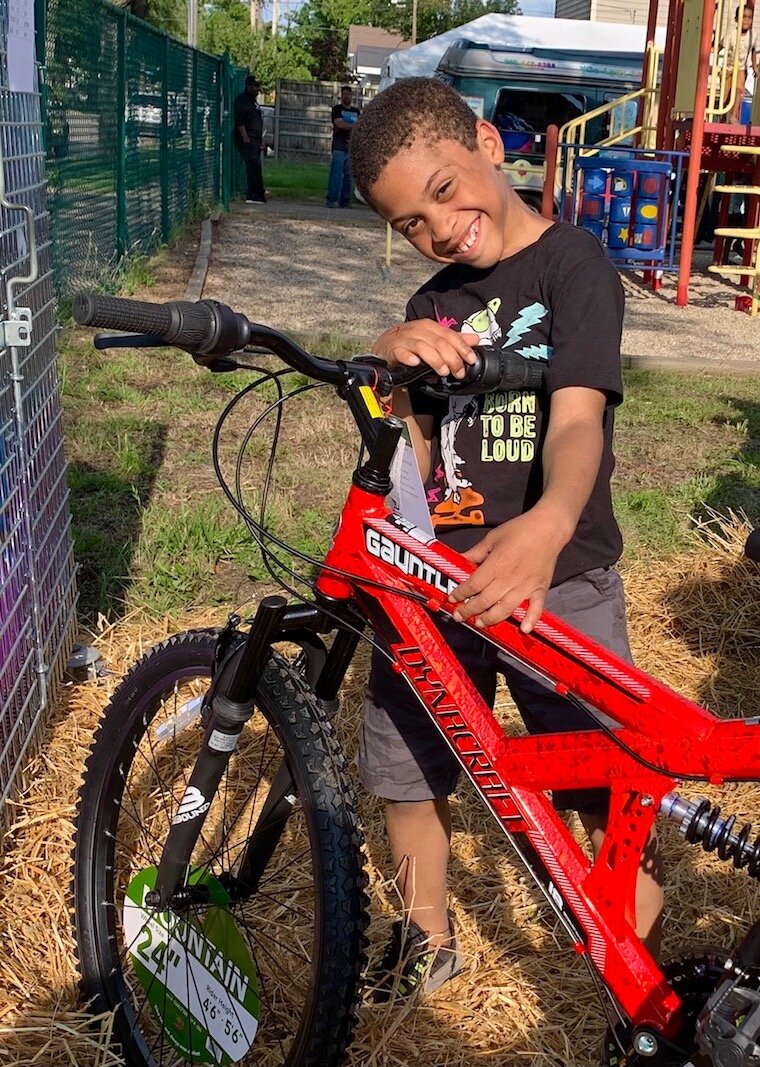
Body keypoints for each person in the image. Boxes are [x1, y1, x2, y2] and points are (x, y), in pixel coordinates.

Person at [348, 76, 663, 1031]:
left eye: (444, 191)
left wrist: (549, 523)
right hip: (438, 587)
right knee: (406, 769)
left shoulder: (574, 267)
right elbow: (411, 449)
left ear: (488, 142)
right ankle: (427, 937)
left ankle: (638, 969)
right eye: (410, 223)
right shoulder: (431, 300)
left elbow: (577, 423)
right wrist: (387, 363)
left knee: (597, 785)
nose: (439, 230)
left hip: (555, 580)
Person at [721, 3, 758, 121]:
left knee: (738, 89)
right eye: (743, 17)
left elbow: (753, 50)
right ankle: (723, 118)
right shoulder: (731, 33)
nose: (746, 20)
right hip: (728, 68)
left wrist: (755, 65)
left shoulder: (753, 35)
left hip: (741, 67)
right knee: (725, 97)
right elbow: (720, 46)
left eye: (749, 17)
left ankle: (733, 117)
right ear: (736, 19)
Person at [234, 75, 267, 204]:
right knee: (253, 164)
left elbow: (259, 121)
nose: (257, 89)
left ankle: (256, 193)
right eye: (255, 86)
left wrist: (262, 139)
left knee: (256, 165)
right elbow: (240, 121)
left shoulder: (254, 102)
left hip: (256, 138)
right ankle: (254, 194)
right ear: (249, 86)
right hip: (248, 138)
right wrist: (245, 136)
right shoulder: (242, 101)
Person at [326, 85, 359, 208]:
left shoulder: (356, 112)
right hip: (339, 146)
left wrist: (351, 126)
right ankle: (331, 199)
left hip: (351, 147)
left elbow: (360, 126)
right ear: (341, 96)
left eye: (349, 94)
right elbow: (339, 124)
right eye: (344, 94)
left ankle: (345, 201)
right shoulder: (337, 109)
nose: (347, 96)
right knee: (336, 174)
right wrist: (354, 126)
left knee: (348, 176)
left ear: (351, 96)